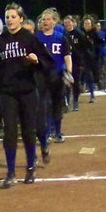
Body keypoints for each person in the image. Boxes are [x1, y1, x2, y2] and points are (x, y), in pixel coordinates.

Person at [0, 2, 55, 187]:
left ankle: (31, 168)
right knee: (9, 133)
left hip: (28, 91)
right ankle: (11, 172)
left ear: (21, 19)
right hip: (8, 93)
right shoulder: (0, 41)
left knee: (28, 131)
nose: (10, 20)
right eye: (7, 17)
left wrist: (36, 61)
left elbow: (47, 61)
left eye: (13, 17)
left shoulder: (28, 38)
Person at [36, 8, 73, 148]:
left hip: (57, 76)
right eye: (43, 19)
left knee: (57, 105)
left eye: (48, 19)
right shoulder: (37, 37)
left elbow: (67, 56)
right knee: (44, 105)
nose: (45, 21)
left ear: (54, 21)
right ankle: (46, 132)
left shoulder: (61, 37)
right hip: (41, 76)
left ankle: (57, 131)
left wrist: (68, 71)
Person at [63, 15, 87, 111]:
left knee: (75, 82)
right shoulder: (63, 34)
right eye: (65, 23)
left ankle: (75, 102)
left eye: (69, 22)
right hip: (66, 62)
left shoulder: (79, 34)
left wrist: (82, 63)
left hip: (76, 62)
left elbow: (84, 48)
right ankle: (67, 102)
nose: (67, 24)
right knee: (66, 83)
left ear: (73, 23)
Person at [81, 15, 104, 102]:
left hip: (94, 59)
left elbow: (99, 45)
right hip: (85, 59)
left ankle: (99, 83)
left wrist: (96, 55)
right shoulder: (81, 34)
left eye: (88, 23)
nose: (87, 25)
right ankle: (91, 94)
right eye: (85, 23)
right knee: (88, 76)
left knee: (96, 75)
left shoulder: (95, 34)